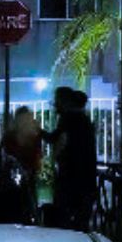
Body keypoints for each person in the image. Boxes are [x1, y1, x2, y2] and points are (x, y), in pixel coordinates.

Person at [40, 86, 96, 230]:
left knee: (65, 216)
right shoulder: (83, 119)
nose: (54, 104)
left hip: (72, 176)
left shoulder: (69, 118)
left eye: (57, 100)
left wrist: (37, 131)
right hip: (85, 176)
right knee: (80, 220)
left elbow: (54, 138)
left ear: (65, 102)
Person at [2, 105, 44, 217]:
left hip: (26, 171)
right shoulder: (13, 135)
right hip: (18, 172)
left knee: (27, 197)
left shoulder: (30, 134)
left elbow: (36, 152)